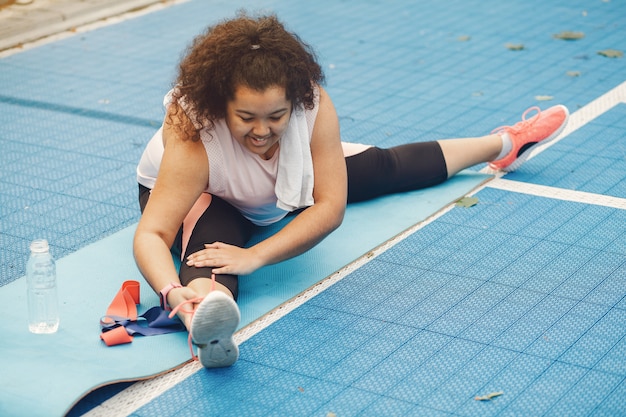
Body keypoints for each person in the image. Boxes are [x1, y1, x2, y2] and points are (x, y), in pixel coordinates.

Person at [133, 12, 569, 368]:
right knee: (211, 247)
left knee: (382, 165)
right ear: (220, 104)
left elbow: (330, 208)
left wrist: (257, 256)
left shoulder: (312, 105)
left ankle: (506, 142)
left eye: (276, 116)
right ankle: (208, 323)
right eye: (246, 117)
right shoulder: (194, 135)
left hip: (274, 183)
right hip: (212, 194)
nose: (262, 130)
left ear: (293, 102)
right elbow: (152, 233)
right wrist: (170, 290)